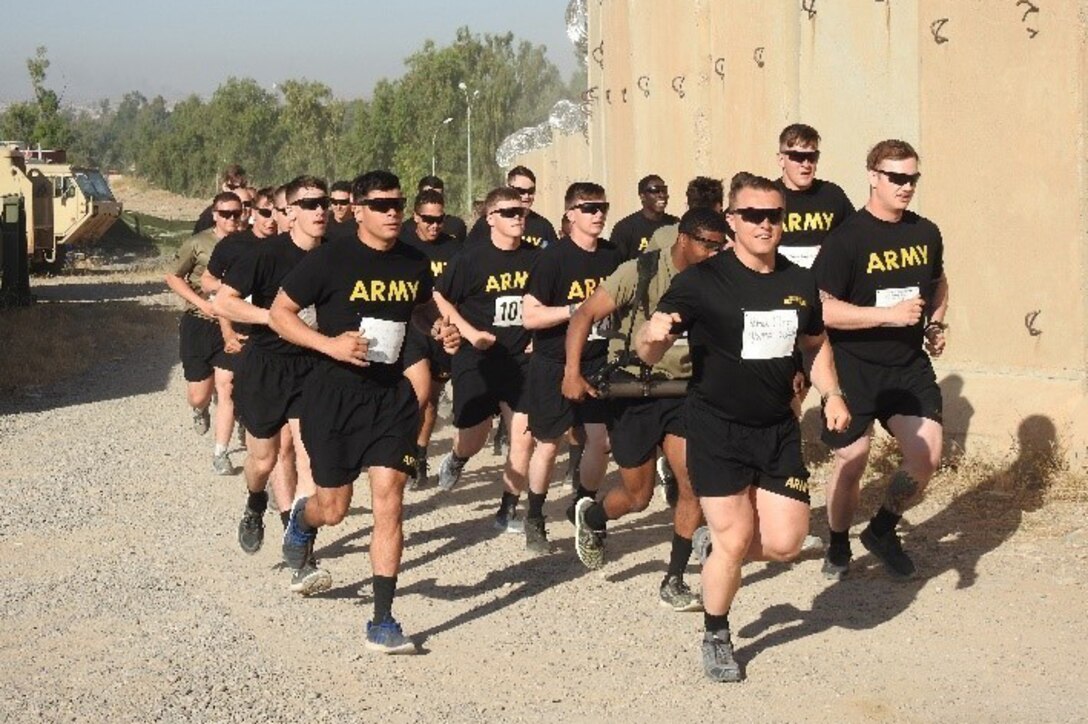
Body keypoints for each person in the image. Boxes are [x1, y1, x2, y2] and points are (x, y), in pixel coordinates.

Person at [636, 173, 850, 683]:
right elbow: (649, 348)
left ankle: (718, 559)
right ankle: (716, 632)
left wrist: (833, 392)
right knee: (735, 536)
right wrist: (653, 334)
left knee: (785, 544)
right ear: (732, 220)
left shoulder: (798, 282)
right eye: (752, 215)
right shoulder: (702, 281)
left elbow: (815, 344)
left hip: (776, 429)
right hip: (716, 429)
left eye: (773, 215)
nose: (764, 224)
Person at [270, 170, 460, 655]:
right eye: (381, 205)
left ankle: (383, 619)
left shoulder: (414, 262)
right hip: (333, 398)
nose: (393, 212)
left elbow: (418, 310)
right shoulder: (330, 259)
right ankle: (304, 521)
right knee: (334, 508)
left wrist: (439, 330)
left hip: (389, 399)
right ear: (357, 210)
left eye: (397, 203)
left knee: (389, 502)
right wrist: (329, 345)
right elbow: (280, 314)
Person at [563, 208, 727, 612]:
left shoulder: (720, 277)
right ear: (684, 239)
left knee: (693, 482)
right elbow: (584, 314)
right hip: (634, 391)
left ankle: (675, 577)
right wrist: (571, 372)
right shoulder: (639, 272)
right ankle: (595, 518)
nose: (714, 252)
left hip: (685, 393)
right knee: (638, 497)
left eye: (720, 245)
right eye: (708, 243)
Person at [813, 139, 948, 580]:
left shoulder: (925, 232)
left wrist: (935, 324)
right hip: (854, 366)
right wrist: (885, 315)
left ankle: (882, 530)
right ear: (873, 176)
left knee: (926, 457)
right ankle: (837, 543)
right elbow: (822, 309)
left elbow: (939, 280)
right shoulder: (846, 239)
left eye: (912, 178)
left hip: (907, 365)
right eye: (896, 177)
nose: (906, 187)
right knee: (852, 460)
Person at [213, 176, 326, 570]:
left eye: (323, 203)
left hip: (313, 367)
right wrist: (275, 318)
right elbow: (224, 303)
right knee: (263, 459)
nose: (320, 211)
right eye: (310, 204)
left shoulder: (334, 254)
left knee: (309, 456)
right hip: (266, 366)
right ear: (290, 212)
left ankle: (301, 544)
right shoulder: (265, 255)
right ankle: (255, 502)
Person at [521, 182, 621, 553]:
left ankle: (582, 505)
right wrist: (575, 310)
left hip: (597, 363)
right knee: (548, 445)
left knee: (601, 441)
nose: (598, 215)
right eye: (590, 208)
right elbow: (529, 316)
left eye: (602, 207)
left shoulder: (613, 255)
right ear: (570, 215)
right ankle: (534, 516)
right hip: (553, 363)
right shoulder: (553, 258)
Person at [433, 187, 540, 532]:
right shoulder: (471, 258)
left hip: (519, 360)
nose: (518, 218)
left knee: (523, 435)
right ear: (491, 218)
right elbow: (440, 296)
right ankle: (457, 458)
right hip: (476, 357)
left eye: (521, 212)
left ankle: (507, 510)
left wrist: (538, 340)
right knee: (474, 436)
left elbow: (543, 303)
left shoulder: (536, 258)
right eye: (509, 212)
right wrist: (468, 332)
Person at [164, 191, 244, 475]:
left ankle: (220, 452)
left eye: (237, 213)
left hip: (233, 324)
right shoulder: (198, 244)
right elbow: (173, 276)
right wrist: (200, 303)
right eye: (226, 214)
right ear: (215, 215)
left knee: (228, 386)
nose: (232, 219)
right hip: (200, 322)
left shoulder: (249, 242)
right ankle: (199, 409)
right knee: (199, 394)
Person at [400, 189, 461, 489]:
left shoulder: (454, 249)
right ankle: (407, 456)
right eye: (428, 220)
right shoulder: (403, 245)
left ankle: (420, 457)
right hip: (413, 328)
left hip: (444, 333)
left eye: (440, 220)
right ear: (415, 218)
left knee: (432, 400)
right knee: (419, 393)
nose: (435, 225)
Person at [774, 124, 854, 270]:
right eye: (798, 157)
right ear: (781, 160)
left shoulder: (832, 195)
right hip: (778, 283)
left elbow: (854, 237)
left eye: (812, 157)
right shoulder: (767, 196)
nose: (806, 164)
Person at [467, 166, 558, 248]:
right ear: (508, 189)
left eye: (530, 191)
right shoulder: (489, 222)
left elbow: (556, 259)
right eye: (520, 191)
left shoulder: (544, 226)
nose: (526, 196)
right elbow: (467, 257)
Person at [609, 174, 679, 261]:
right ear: (642, 196)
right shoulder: (625, 228)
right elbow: (615, 266)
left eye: (664, 190)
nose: (661, 195)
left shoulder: (675, 224)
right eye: (655, 190)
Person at [401, 176, 468, 242]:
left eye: (437, 195)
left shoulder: (455, 226)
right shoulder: (405, 230)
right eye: (427, 195)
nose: (435, 226)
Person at [193, 165, 247, 234]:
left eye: (242, 187)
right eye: (233, 188)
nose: (237, 192)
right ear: (224, 187)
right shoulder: (208, 216)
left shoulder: (249, 212)